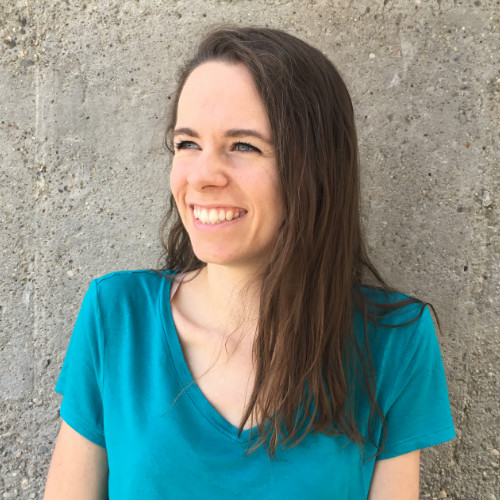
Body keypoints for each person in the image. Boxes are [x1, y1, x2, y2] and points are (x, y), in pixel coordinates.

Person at [44, 27, 455, 499]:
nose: (202, 176)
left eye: (243, 146)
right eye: (187, 144)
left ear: (314, 169)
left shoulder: (393, 343)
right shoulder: (116, 317)